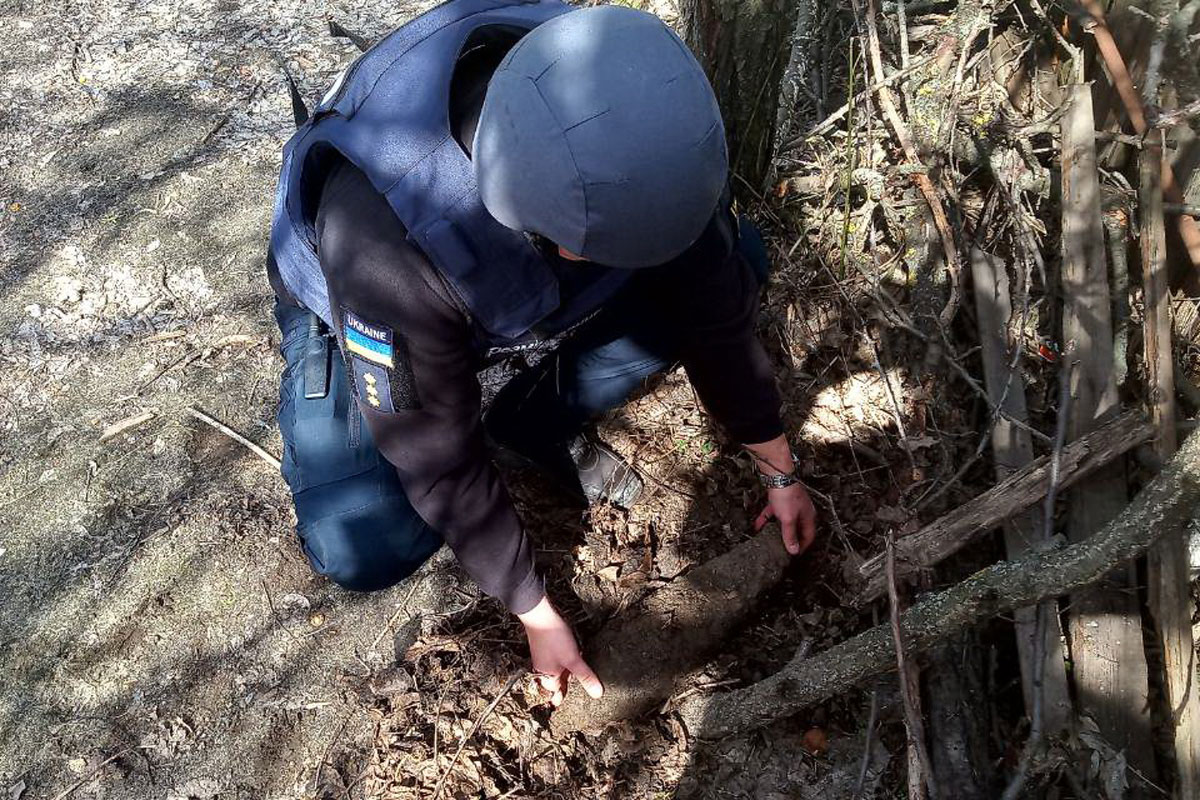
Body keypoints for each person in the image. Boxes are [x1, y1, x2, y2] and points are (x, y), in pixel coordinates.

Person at [265, 0, 818, 706]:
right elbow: (436, 458)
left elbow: (714, 310)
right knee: (365, 545)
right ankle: (370, 377)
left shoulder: (641, 125)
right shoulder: (386, 252)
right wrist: (533, 608)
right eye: (599, 250)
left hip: (506, 255)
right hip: (348, 293)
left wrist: (777, 468)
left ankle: (529, 419)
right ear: (543, 226)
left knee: (736, 259)